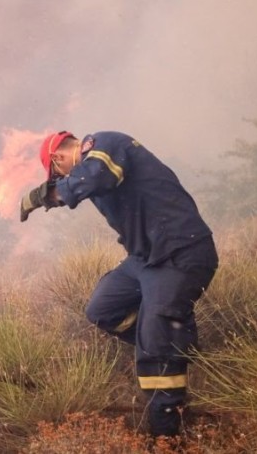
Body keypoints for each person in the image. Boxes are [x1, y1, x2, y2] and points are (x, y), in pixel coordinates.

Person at [20, 130, 218, 437]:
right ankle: (176, 342)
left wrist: (41, 195)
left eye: (57, 174)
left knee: (154, 348)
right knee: (103, 309)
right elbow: (80, 184)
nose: (61, 179)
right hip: (145, 259)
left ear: (59, 158)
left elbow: (95, 177)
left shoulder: (105, 145)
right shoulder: (89, 167)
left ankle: (167, 436)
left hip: (181, 253)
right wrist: (50, 195)